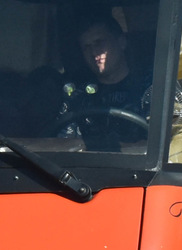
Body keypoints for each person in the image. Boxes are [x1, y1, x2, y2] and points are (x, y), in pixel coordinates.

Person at [58, 15, 153, 149]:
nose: (93, 52)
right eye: (86, 47)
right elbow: (63, 145)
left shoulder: (149, 88)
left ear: (121, 42)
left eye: (99, 42)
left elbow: (164, 143)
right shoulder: (78, 96)